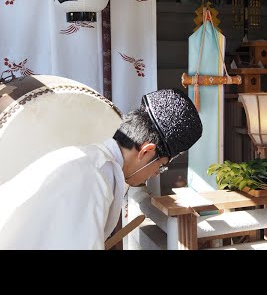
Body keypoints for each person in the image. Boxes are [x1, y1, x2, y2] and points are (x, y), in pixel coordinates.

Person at [0, 88, 202, 250]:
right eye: (161, 166)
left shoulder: (88, 160)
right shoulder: (91, 178)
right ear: (146, 151)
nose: (154, 175)